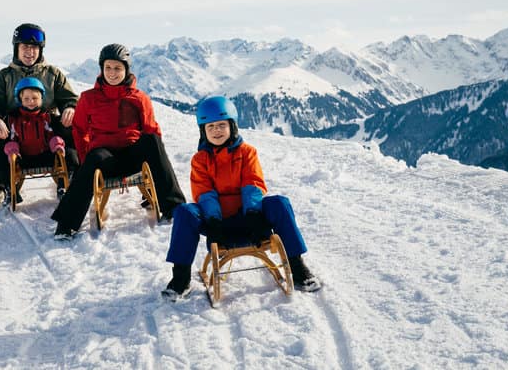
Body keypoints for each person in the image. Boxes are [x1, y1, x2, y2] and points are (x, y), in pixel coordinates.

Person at [162, 95, 321, 301]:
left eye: (221, 125)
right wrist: (213, 221)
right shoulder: (200, 160)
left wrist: (254, 214)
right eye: (210, 127)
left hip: (249, 217)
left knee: (280, 203)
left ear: (232, 126)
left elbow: (252, 184)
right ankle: (181, 279)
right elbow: (204, 192)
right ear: (203, 131)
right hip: (216, 223)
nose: (216, 131)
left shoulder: (247, 153)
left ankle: (297, 266)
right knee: (184, 212)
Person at [50, 43, 186, 239]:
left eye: (117, 68)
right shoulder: (89, 98)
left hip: (134, 155)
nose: (112, 73)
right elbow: (79, 131)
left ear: (126, 70)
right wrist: (84, 157)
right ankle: (67, 224)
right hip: (106, 159)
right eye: (108, 68)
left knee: (152, 140)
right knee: (93, 157)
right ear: (101, 69)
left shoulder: (139, 98)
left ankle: (175, 207)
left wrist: (152, 156)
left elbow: (150, 129)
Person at [0, 23, 79, 208]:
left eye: (34, 48)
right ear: (16, 49)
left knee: (72, 123)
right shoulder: (4, 77)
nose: (29, 52)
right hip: (14, 132)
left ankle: (71, 174)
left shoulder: (52, 74)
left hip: (46, 132)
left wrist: (70, 107)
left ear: (40, 50)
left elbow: (70, 99)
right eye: (25, 47)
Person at [2, 77, 68, 204]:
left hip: (44, 154)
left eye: (35, 98)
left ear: (41, 99)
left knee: (60, 160)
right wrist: (13, 151)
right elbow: (12, 139)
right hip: (24, 157)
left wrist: (58, 145)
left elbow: (52, 135)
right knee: (9, 164)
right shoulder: (14, 119)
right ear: (20, 99)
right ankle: (11, 190)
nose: (31, 101)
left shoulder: (46, 117)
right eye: (26, 98)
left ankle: (62, 187)